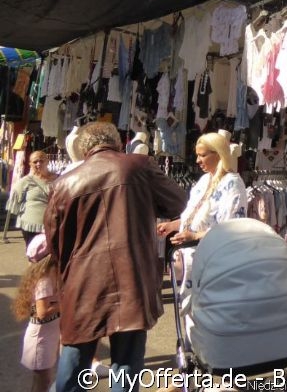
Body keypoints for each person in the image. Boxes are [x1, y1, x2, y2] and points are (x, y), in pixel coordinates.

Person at [44, 122, 186, 392]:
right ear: (117, 142)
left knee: (74, 362)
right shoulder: (139, 166)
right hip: (131, 279)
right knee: (127, 365)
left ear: (84, 149)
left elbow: (55, 245)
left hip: (82, 284)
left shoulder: (63, 184)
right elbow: (179, 203)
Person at [156, 132, 247, 306]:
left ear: (218, 154)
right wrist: (173, 226)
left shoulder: (233, 183)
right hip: (191, 263)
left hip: (214, 264)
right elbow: (194, 216)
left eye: (203, 155)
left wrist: (195, 236)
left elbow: (231, 228)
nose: (197, 160)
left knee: (208, 315)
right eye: (197, 155)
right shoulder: (205, 180)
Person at [14, 233, 60, 392]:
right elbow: (42, 311)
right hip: (40, 341)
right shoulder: (44, 280)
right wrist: (66, 302)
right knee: (43, 382)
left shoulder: (48, 276)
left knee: (43, 381)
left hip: (46, 337)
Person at [12, 150, 57, 247]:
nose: (38, 164)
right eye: (35, 162)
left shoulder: (58, 178)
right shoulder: (26, 180)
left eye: (41, 160)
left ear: (47, 161)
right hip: (31, 225)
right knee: (34, 255)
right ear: (30, 164)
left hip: (53, 224)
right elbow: (14, 199)